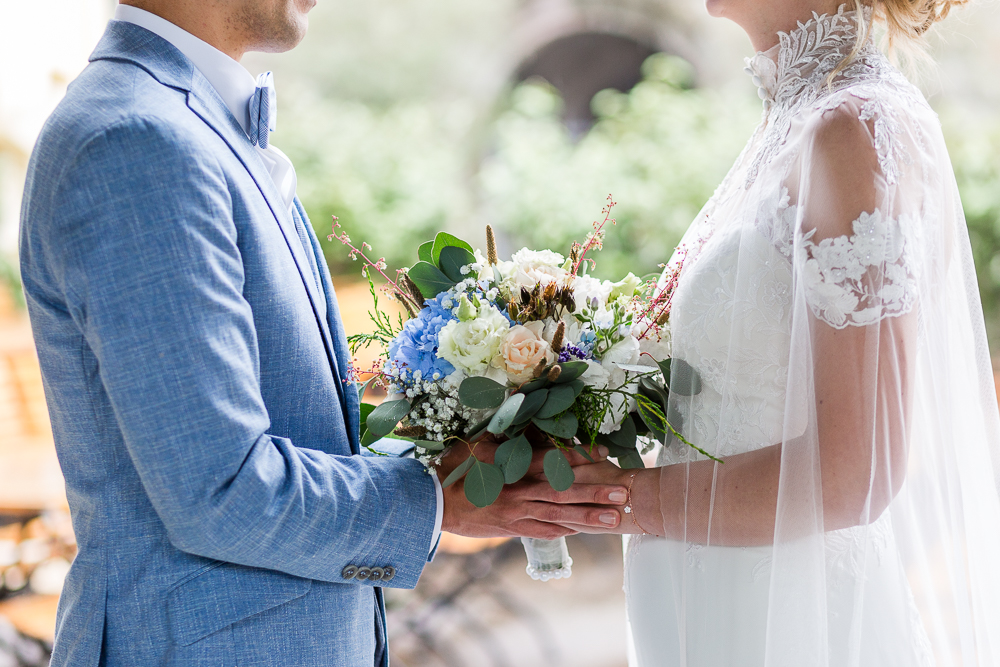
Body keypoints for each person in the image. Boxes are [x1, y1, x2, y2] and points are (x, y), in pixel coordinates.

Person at [18, 1, 627, 665]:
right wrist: (435, 502)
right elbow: (221, 491)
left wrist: (450, 458)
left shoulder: (191, 124)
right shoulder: (136, 139)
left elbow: (287, 428)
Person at [566, 0, 1000, 664]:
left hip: (789, 619)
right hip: (711, 602)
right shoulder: (792, 116)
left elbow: (858, 470)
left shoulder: (853, 128)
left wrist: (613, 499)